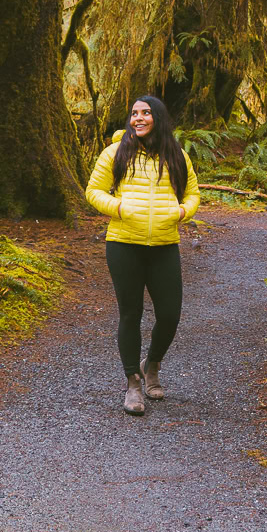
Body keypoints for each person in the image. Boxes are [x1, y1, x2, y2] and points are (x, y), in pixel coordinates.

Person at [85, 95, 201, 415]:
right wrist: (119, 207)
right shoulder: (115, 152)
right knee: (130, 313)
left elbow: (192, 194)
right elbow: (93, 192)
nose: (138, 118)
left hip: (164, 245)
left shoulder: (176, 155)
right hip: (123, 244)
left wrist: (181, 212)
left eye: (146, 113)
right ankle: (133, 383)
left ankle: (151, 365)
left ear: (158, 118)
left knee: (169, 314)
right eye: (134, 113)